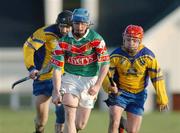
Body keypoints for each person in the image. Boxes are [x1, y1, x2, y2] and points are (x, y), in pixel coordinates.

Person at [51, 8, 110, 133]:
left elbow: (105, 63)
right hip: (70, 78)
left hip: (90, 80)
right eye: (77, 23)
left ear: (88, 24)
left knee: (80, 124)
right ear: (72, 23)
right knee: (69, 115)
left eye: (83, 23)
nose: (80, 26)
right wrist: (56, 90)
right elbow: (57, 68)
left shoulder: (97, 39)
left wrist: (98, 85)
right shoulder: (63, 42)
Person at [103, 24, 169, 133]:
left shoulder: (148, 56)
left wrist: (162, 98)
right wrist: (109, 87)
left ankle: (122, 124)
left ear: (140, 41)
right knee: (114, 120)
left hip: (138, 95)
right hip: (119, 92)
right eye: (128, 40)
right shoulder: (115, 55)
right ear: (123, 38)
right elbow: (106, 74)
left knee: (132, 131)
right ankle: (118, 122)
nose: (131, 43)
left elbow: (157, 77)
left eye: (134, 40)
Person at [23, 10, 72, 133]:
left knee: (62, 110)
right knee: (41, 122)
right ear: (57, 24)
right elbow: (28, 47)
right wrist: (31, 68)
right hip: (43, 78)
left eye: (68, 27)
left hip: (63, 77)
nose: (65, 30)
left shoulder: (76, 36)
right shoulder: (46, 32)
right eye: (62, 26)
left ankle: (60, 124)